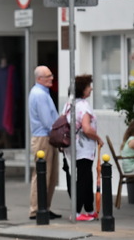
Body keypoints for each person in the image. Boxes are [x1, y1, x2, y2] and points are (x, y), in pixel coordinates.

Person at [63, 74, 104, 221]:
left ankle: (89, 208)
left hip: (72, 147)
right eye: (88, 86)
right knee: (84, 179)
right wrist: (98, 138)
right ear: (82, 89)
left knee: (85, 177)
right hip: (84, 148)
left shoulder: (69, 104)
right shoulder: (84, 106)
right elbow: (86, 128)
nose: (91, 89)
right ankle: (76, 211)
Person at [28, 65, 61, 220]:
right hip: (43, 138)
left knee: (50, 175)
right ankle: (36, 209)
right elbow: (47, 121)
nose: (52, 78)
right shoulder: (40, 94)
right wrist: (58, 135)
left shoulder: (42, 93)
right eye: (48, 76)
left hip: (46, 137)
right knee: (42, 174)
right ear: (39, 78)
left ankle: (45, 207)